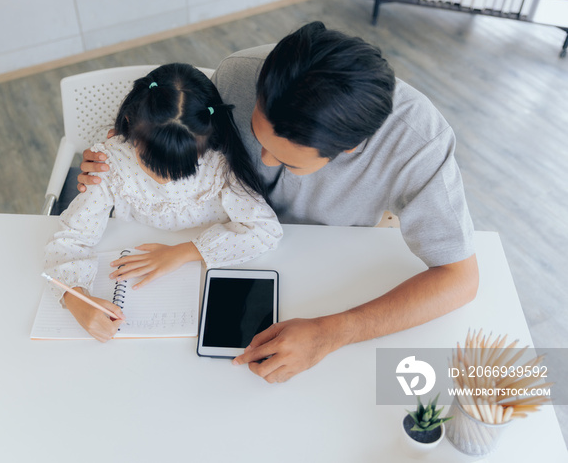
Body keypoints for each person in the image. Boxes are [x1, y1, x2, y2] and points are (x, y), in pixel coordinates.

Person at [77, 22, 479, 382]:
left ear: (350, 148)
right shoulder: (238, 75)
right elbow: (190, 146)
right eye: (257, 136)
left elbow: (460, 279)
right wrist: (120, 156)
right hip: (228, 237)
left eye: (286, 159)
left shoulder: (419, 142)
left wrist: (333, 332)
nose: (263, 162)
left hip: (326, 264)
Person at [45, 63, 283, 343]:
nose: (163, 178)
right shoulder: (110, 162)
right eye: (150, 162)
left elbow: (265, 230)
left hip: (204, 266)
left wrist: (184, 252)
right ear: (131, 127)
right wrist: (75, 299)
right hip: (135, 246)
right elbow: (70, 239)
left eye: (182, 168)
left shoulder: (219, 162)